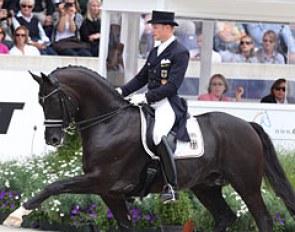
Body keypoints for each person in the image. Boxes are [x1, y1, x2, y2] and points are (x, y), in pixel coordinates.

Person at [116, 10, 190, 203]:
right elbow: (142, 78)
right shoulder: (155, 51)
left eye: (155, 28)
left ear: (167, 28)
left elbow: (173, 85)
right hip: (150, 102)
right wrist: (120, 92)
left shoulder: (180, 52)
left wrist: (146, 97)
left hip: (167, 103)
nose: (152, 31)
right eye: (152, 27)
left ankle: (172, 187)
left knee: (158, 135)